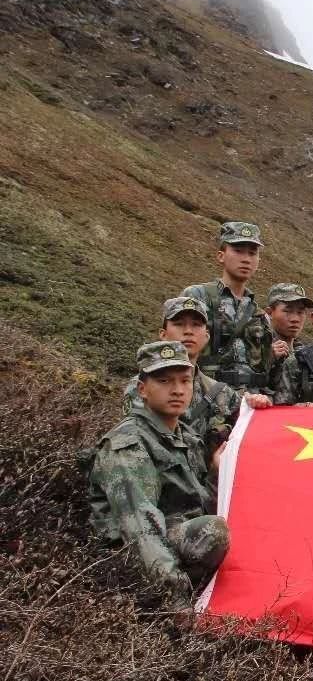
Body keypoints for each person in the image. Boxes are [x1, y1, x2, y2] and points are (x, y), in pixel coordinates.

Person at [89, 342, 229, 601]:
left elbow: (196, 503)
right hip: (130, 561)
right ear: (142, 389)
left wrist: (215, 473)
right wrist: (175, 602)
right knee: (212, 531)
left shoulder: (186, 437)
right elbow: (140, 528)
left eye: (185, 381)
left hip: (171, 545)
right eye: (164, 381)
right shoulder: (128, 444)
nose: (177, 390)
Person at [123, 297, 271, 465]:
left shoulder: (221, 392)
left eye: (196, 325)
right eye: (179, 324)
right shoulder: (144, 388)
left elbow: (250, 430)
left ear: (206, 336)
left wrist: (256, 406)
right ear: (163, 334)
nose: (188, 331)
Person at [181, 221, 274, 393]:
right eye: (238, 251)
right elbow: (179, 351)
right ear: (221, 256)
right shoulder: (198, 296)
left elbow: (264, 368)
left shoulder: (258, 313)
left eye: (252, 253)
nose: (246, 259)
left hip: (251, 401)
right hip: (207, 396)